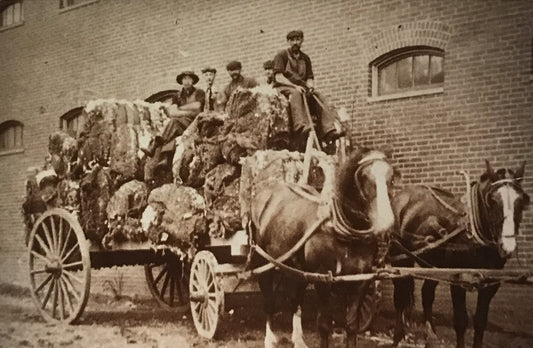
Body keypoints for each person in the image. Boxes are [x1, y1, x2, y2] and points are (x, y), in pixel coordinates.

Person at [272, 30, 344, 146]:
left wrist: (310, 87)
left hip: (301, 87)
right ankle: (301, 125)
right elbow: (278, 77)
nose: (296, 42)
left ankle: (329, 130)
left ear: (302, 40)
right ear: (288, 41)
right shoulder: (282, 55)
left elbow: (310, 78)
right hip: (284, 87)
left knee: (319, 95)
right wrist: (295, 86)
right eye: (293, 40)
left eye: (298, 39)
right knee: (296, 93)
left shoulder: (305, 58)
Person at [143, 70, 205, 180]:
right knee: (174, 128)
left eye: (189, 79)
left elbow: (198, 107)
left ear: (193, 81)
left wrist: (180, 109)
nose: (187, 81)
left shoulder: (199, 92)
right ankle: (165, 158)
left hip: (194, 123)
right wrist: (187, 112)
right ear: (181, 81)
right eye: (184, 79)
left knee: (174, 122)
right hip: (181, 123)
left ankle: (156, 143)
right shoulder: (177, 96)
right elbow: (172, 112)